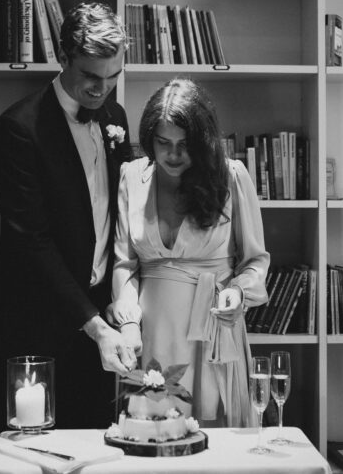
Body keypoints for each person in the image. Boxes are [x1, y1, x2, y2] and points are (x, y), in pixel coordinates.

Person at [0, 2, 136, 431]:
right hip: (34, 325)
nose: (102, 90)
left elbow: (119, 216)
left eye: (113, 77)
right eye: (90, 76)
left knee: (97, 447)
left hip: (99, 323)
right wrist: (94, 326)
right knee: (33, 454)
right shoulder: (17, 128)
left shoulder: (114, 118)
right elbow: (30, 239)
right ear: (63, 58)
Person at [109, 78, 270, 427]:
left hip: (212, 331)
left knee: (214, 447)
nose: (174, 155)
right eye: (163, 143)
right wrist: (128, 323)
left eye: (185, 145)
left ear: (204, 141)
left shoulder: (231, 177)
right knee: (152, 437)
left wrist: (238, 292)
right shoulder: (132, 177)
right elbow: (125, 263)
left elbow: (256, 261)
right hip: (149, 334)